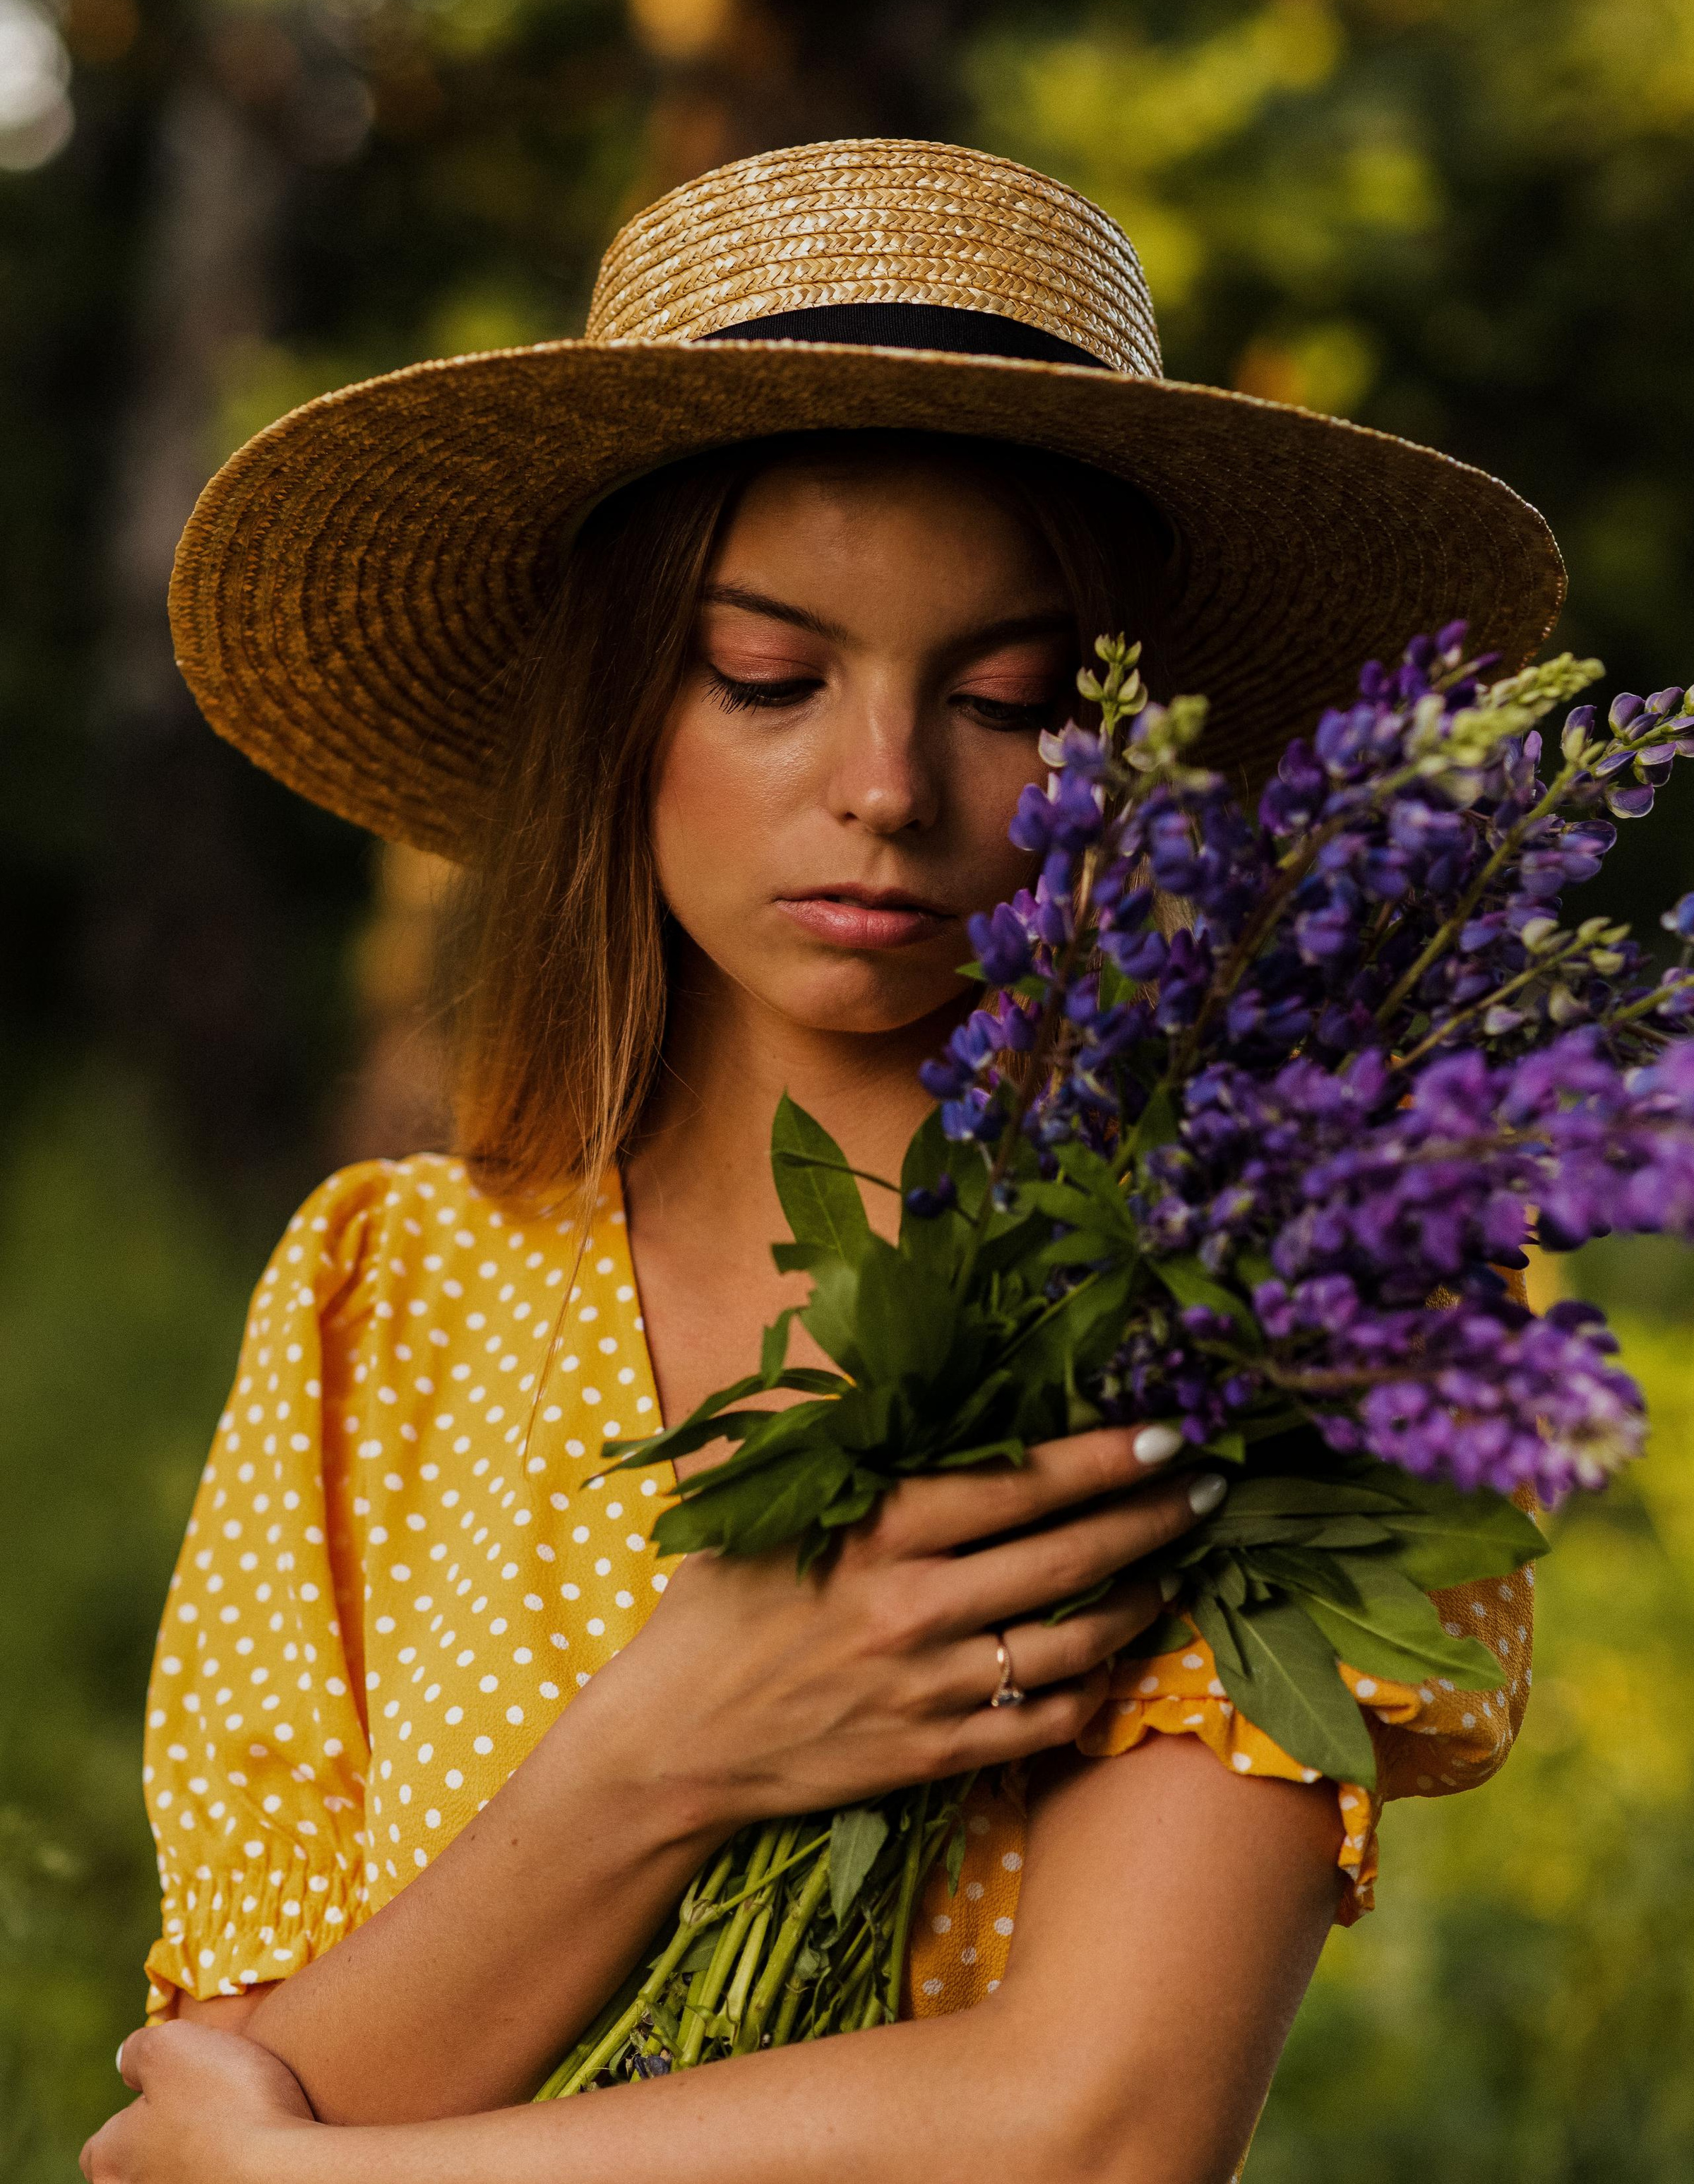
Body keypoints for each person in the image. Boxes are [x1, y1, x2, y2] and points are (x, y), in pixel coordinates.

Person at [83, 140, 1556, 2184]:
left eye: (1010, 695)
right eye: (768, 676)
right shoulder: (386, 1294)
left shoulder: (1283, 1298)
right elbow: (217, 2076)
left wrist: (341, 2181)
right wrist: (656, 1753)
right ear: (618, 701)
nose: (885, 790)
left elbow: (1099, 2126)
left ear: (1134, 741)